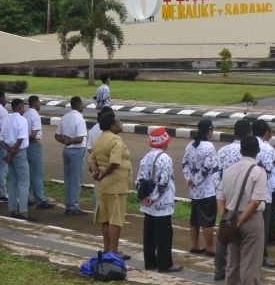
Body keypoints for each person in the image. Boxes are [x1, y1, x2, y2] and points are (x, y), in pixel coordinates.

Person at [217, 133, 271, 285]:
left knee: (233, 259)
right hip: (249, 219)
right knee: (250, 261)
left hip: (230, 217)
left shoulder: (229, 170)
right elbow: (255, 202)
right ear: (257, 151)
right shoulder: (258, 172)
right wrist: (240, 221)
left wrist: (226, 218)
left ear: (241, 151)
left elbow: (220, 197)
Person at [212, 119, 253, 282]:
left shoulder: (223, 151)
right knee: (245, 234)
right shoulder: (247, 151)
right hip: (244, 200)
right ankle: (243, 272)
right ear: (249, 133)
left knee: (224, 233)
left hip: (226, 198)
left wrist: (222, 192)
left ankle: (219, 270)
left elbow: (215, 174)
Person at [136, 127, 181, 273]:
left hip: (148, 205)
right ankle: (164, 264)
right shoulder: (165, 159)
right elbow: (163, 183)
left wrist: (144, 197)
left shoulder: (145, 158)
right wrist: (153, 197)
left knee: (149, 234)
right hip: (161, 204)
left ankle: (150, 262)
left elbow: (139, 181)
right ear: (164, 143)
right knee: (164, 235)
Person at [88, 108, 129, 258]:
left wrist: (95, 173)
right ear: (113, 126)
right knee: (115, 220)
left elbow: (91, 160)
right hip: (116, 186)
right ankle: (114, 251)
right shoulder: (115, 140)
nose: (121, 123)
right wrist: (104, 172)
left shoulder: (99, 139)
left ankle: (107, 249)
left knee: (105, 218)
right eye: (118, 122)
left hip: (103, 185)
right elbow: (115, 162)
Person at [182, 119, 220, 255]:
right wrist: (196, 180)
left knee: (195, 219)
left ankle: (195, 245)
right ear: (209, 131)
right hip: (207, 190)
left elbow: (184, 164)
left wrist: (189, 179)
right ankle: (210, 247)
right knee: (208, 221)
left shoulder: (190, 145)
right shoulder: (209, 147)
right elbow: (207, 168)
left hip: (194, 191)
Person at [254, 119, 275, 265]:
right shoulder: (267, 148)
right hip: (265, 191)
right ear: (266, 133)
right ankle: (262, 257)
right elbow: (268, 172)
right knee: (263, 226)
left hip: (248, 191)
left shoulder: (246, 143)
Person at [0, 97, 28, 219]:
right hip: (19, 153)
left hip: (10, 151)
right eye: (23, 107)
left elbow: (1, 140)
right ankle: (24, 210)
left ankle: (13, 209)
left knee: (13, 181)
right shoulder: (22, 120)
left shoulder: (7, 120)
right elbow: (20, 139)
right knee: (24, 181)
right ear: (19, 107)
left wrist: (9, 152)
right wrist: (11, 153)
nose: (24, 109)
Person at [57, 96, 89, 215]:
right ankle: (73, 207)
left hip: (66, 151)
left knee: (68, 179)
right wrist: (70, 141)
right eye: (82, 104)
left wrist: (65, 141)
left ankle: (68, 205)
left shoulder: (65, 117)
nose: (83, 106)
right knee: (76, 180)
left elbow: (57, 135)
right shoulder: (79, 118)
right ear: (78, 105)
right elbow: (80, 139)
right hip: (77, 151)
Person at [25, 95, 53, 210]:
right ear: (35, 102)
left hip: (25, 145)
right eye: (39, 102)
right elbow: (34, 134)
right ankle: (40, 200)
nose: (39, 105)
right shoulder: (35, 115)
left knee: (28, 173)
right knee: (37, 173)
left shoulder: (26, 113)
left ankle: (27, 197)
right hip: (33, 144)